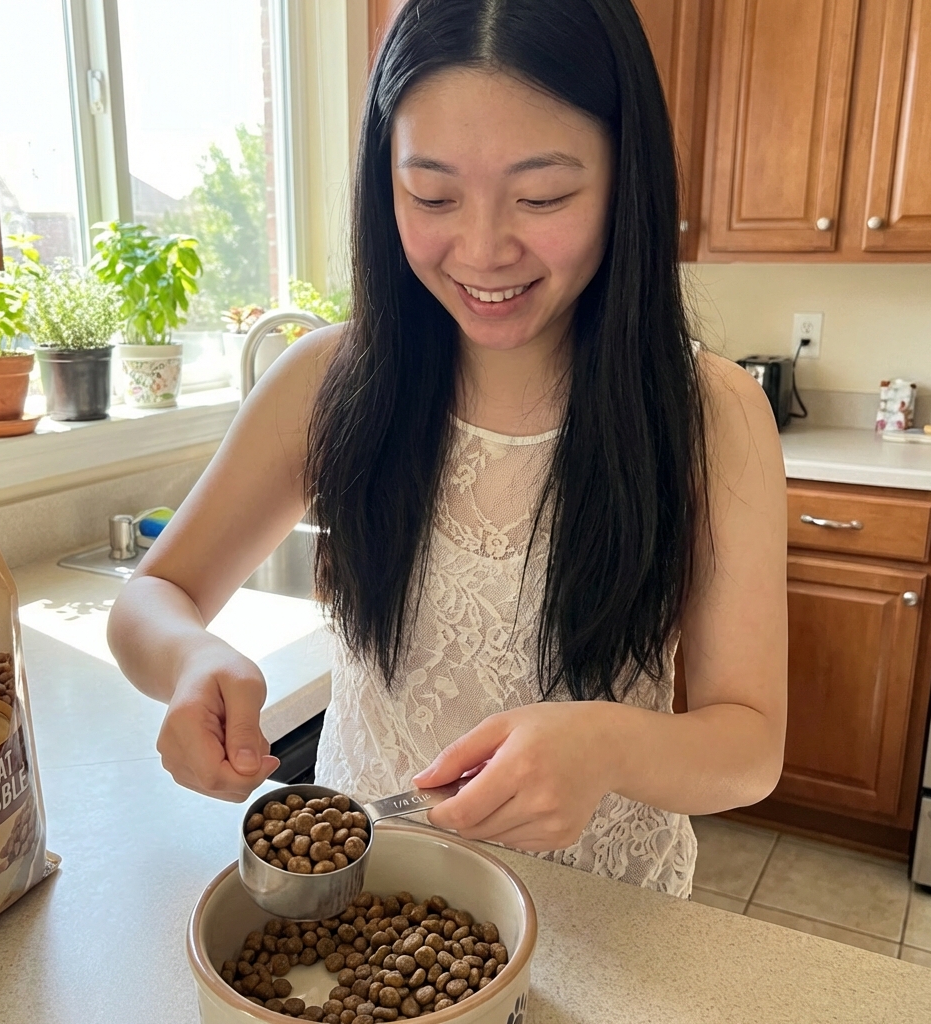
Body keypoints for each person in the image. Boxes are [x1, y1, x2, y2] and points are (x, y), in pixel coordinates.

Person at [106, 0, 787, 899]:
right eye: (431, 195)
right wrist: (193, 661)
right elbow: (153, 595)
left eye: (542, 197)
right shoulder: (327, 381)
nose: (481, 250)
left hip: (612, 914)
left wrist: (611, 743)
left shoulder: (710, 414)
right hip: (369, 899)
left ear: (629, 178)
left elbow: (750, 745)